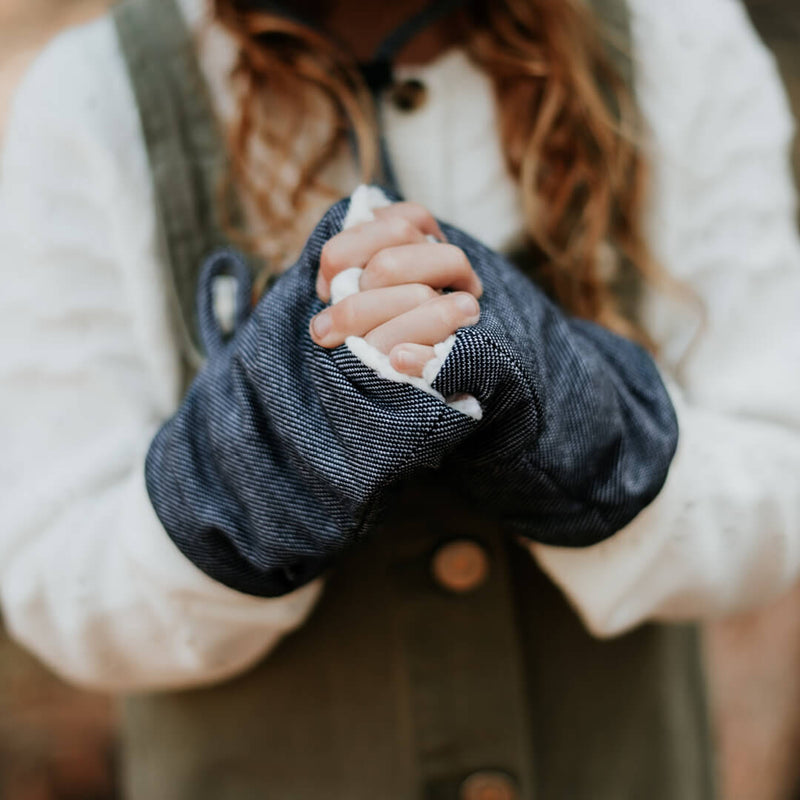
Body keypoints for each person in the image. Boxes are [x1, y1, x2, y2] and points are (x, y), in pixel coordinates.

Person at [1, 0, 799, 797]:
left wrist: (577, 424)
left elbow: (779, 473)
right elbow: (58, 579)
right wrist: (267, 457)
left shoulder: (675, 38)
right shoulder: (91, 101)